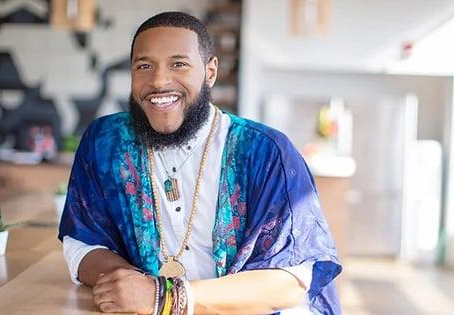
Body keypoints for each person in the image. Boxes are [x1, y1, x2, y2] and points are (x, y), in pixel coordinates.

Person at [58, 11, 342, 314]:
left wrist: (165, 298)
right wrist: (133, 288)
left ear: (210, 72)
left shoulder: (266, 152)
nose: (158, 81)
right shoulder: (105, 142)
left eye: (178, 64)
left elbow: (291, 280)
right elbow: (82, 243)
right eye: (144, 66)